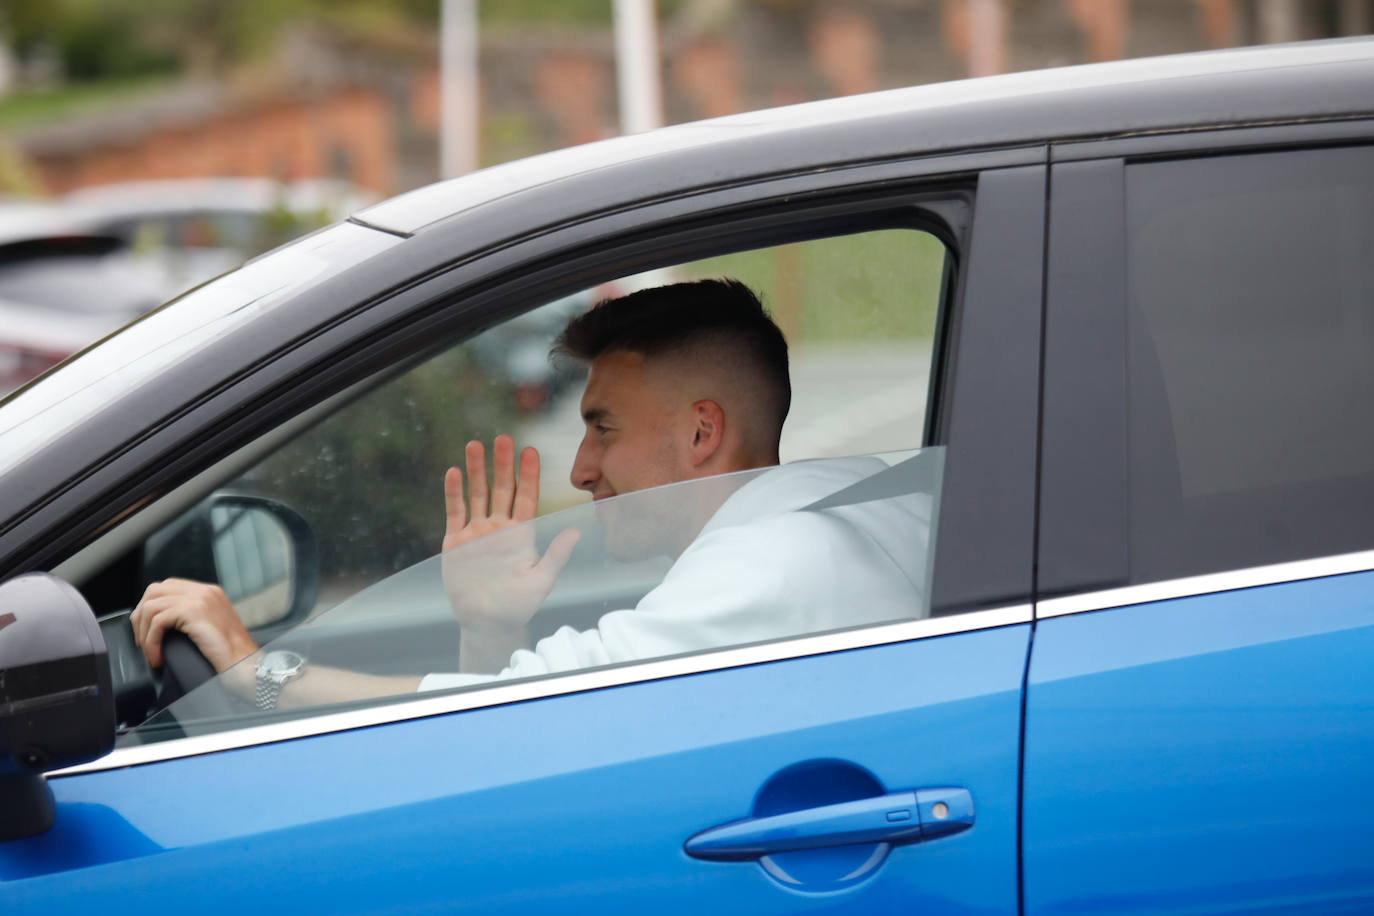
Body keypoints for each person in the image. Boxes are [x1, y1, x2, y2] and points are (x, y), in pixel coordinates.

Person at [131, 279, 930, 708]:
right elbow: (516, 717)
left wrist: (251, 671)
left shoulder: (767, 573)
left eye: (604, 428)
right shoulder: (837, 502)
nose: (580, 470)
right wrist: (488, 629)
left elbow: (507, 712)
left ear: (700, 433)